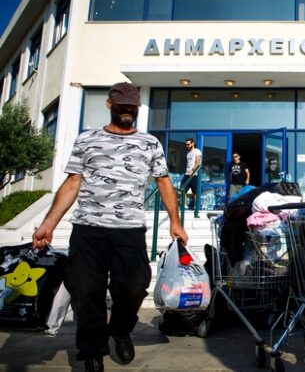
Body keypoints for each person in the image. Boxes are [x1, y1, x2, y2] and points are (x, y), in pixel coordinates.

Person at [32, 82, 189, 372]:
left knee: (133, 287)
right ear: (110, 105)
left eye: (132, 105)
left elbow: (164, 182)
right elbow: (73, 182)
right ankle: (92, 350)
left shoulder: (149, 143)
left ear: (137, 107)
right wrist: (48, 223)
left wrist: (176, 223)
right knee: (85, 289)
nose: (128, 110)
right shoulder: (87, 139)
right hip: (88, 229)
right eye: (122, 105)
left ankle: (119, 330)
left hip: (129, 230)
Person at [181, 138, 202, 210]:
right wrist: (188, 171)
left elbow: (198, 163)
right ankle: (184, 206)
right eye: (186, 144)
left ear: (192, 143)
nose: (187, 146)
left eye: (188, 144)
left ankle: (196, 207)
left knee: (195, 192)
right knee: (182, 189)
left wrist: (192, 170)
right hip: (187, 174)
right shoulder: (188, 153)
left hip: (194, 174)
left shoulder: (197, 151)